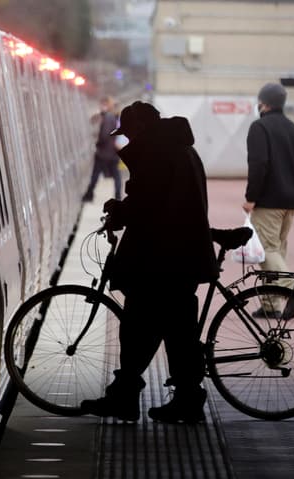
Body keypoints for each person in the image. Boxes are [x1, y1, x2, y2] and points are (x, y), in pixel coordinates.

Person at [80, 101, 219, 424]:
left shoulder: (158, 152)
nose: (127, 139)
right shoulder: (180, 148)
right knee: (175, 331)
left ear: (141, 127)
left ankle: (128, 397)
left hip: (163, 259)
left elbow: (146, 203)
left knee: (140, 327)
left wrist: (119, 211)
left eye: (128, 133)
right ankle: (180, 398)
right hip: (178, 256)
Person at [242, 82, 294, 319]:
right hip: (290, 203)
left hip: (268, 202)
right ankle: (271, 304)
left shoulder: (259, 128)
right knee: (278, 250)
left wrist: (251, 197)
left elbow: (259, 164)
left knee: (266, 249)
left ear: (263, 103)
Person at [82, 97, 122, 202]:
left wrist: (98, 144)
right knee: (116, 175)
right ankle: (118, 196)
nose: (101, 106)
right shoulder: (113, 117)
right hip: (112, 152)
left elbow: (104, 135)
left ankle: (89, 195)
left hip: (104, 152)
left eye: (103, 104)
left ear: (108, 105)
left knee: (95, 174)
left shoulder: (108, 117)